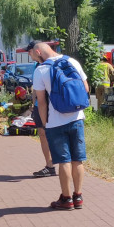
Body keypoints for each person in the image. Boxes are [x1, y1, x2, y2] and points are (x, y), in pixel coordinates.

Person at [28, 40, 89, 209]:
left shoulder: (41, 70)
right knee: (78, 160)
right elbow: (85, 88)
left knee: (64, 161)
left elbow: (41, 102)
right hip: (77, 118)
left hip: (56, 122)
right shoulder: (72, 61)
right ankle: (78, 196)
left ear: (38, 52)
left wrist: (46, 123)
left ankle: (66, 198)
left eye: (32, 54)